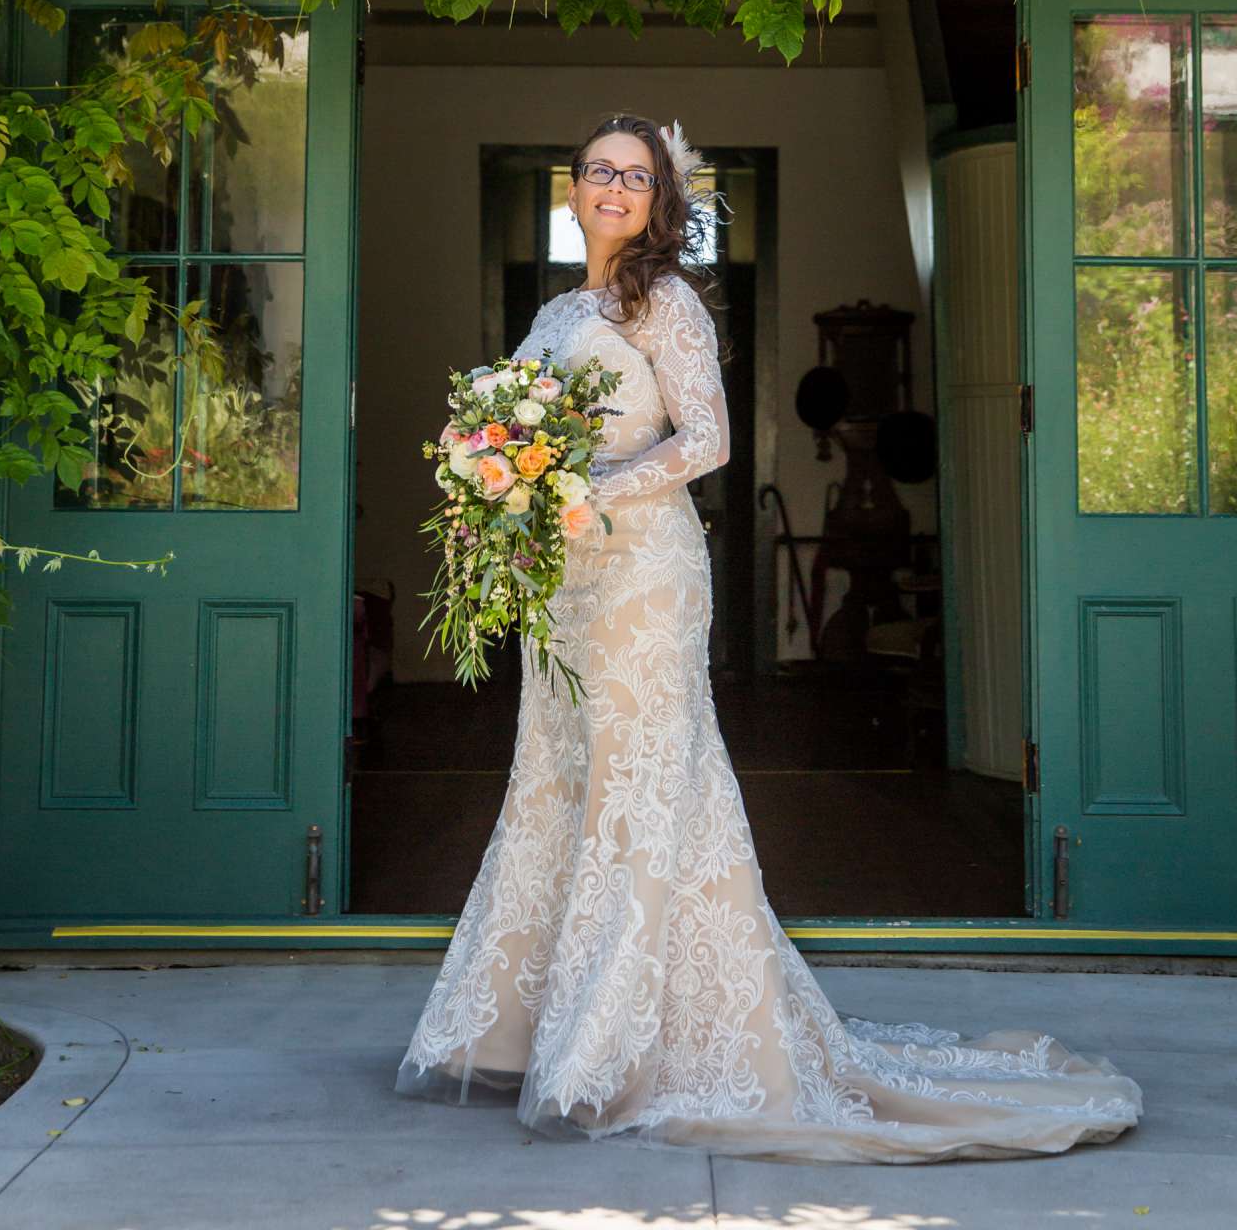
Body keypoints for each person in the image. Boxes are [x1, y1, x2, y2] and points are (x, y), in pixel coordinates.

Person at [396, 112, 1143, 1162]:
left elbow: (708, 440)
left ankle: (627, 1045)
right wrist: (490, 466)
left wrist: (583, 485)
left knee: (644, 786)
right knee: (561, 781)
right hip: (563, 582)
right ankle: (544, 1027)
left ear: (661, 200)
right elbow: (519, 435)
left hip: (644, 578)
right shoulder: (560, 307)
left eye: (636, 175)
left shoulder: (667, 302)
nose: (614, 187)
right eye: (597, 171)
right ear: (571, 188)